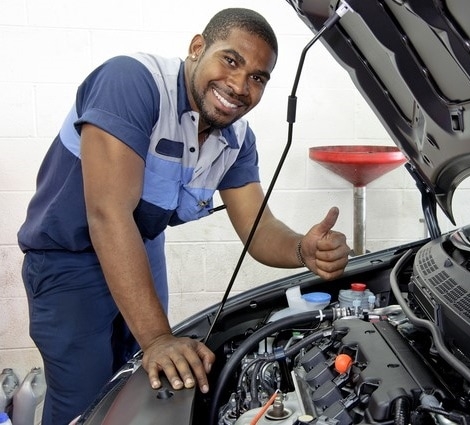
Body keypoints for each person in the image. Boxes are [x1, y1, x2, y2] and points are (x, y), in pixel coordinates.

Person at [17, 8, 350, 425]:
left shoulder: (236, 141)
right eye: (231, 61)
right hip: (68, 260)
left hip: (140, 250)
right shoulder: (132, 82)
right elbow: (108, 214)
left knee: (137, 387)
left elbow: (259, 229)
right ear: (197, 48)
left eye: (258, 77)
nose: (239, 85)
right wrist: (157, 337)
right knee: (85, 404)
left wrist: (304, 248)